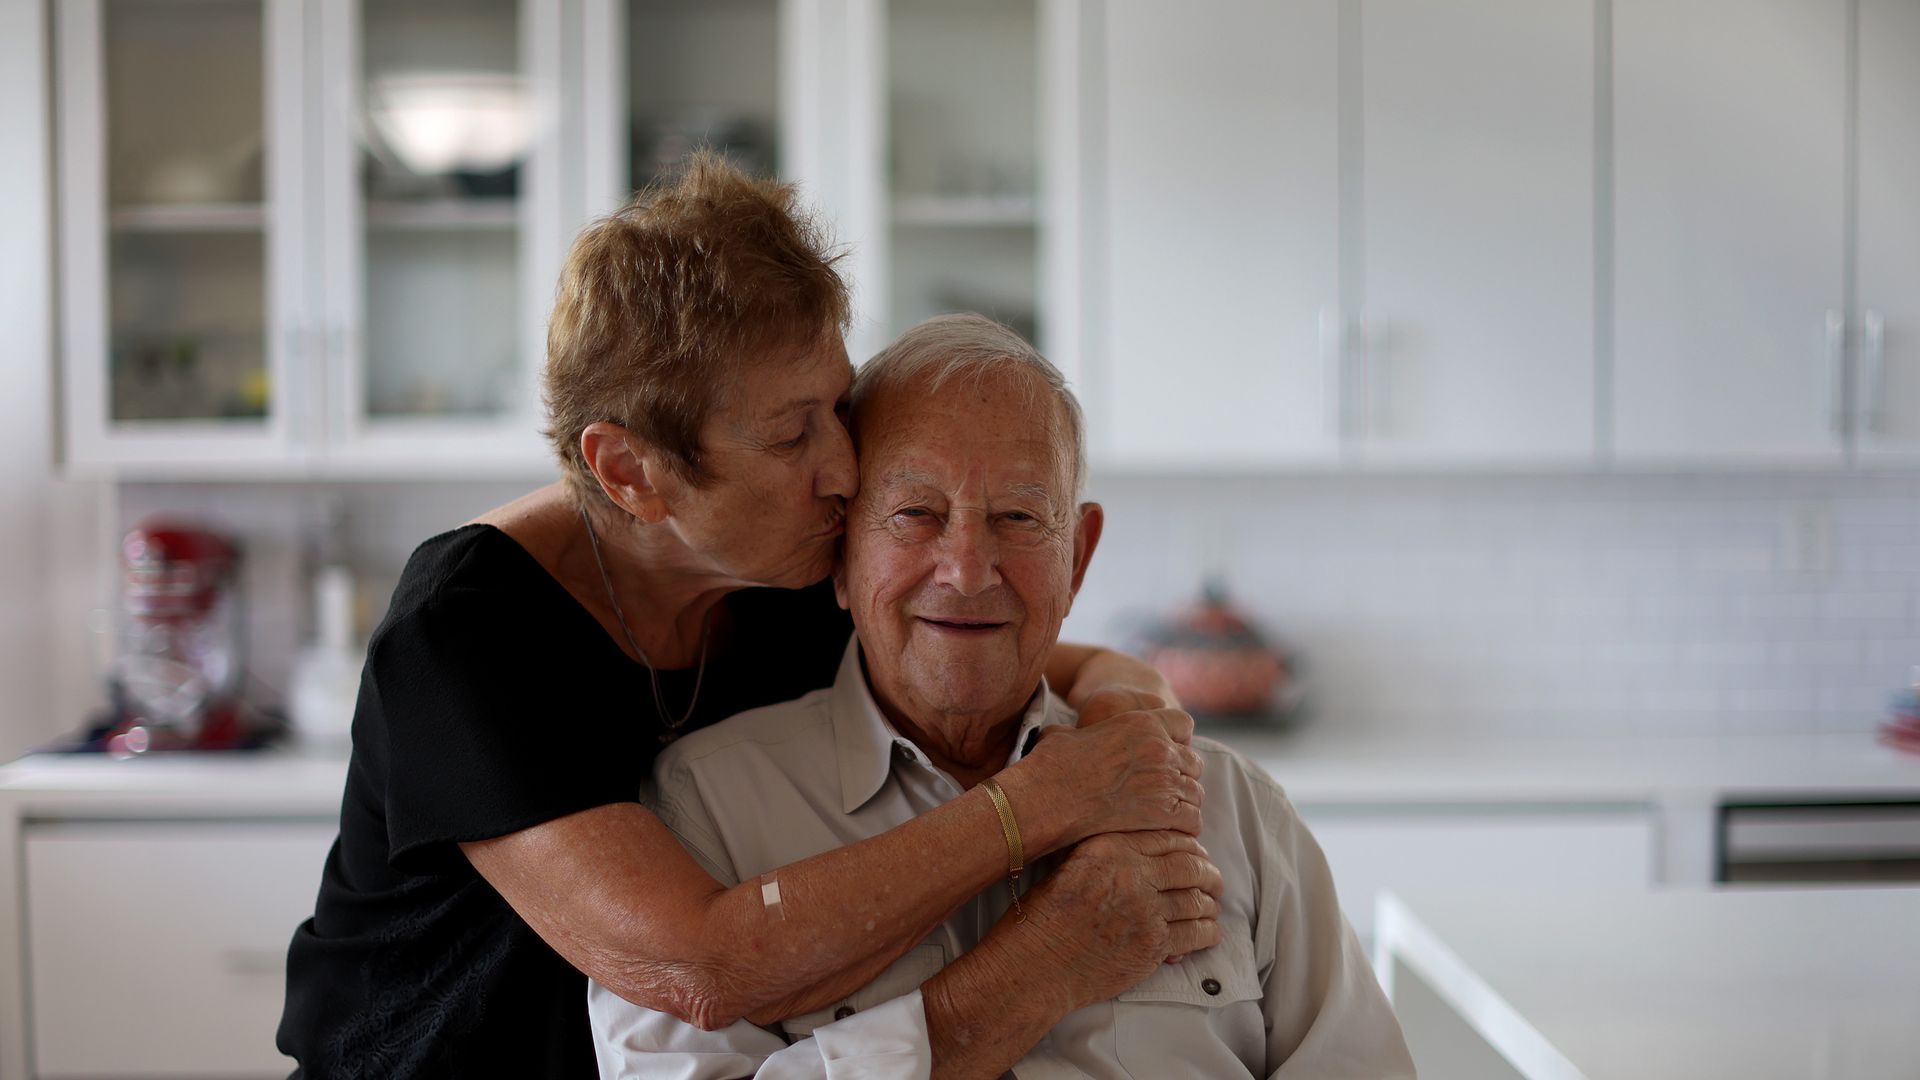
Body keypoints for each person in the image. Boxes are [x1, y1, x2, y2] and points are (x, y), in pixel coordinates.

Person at [277, 157, 1217, 1078]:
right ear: (630, 471)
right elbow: (700, 966)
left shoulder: (780, 566)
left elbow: (1009, 643)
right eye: (789, 433)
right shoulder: (467, 630)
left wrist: (1133, 703)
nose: (845, 469)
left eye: (836, 407)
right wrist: (1045, 803)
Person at [590, 314, 1415, 1078]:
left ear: (1079, 559)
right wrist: (1041, 966)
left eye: (1020, 517)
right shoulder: (708, 815)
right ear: (840, 556)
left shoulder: (1233, 810)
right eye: (916, 512)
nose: (968, 569)